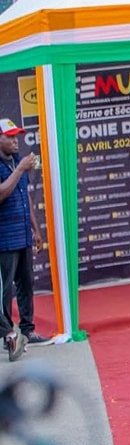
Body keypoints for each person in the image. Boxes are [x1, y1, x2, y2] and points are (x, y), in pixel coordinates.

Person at [0, 119, 49, 361]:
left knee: (26, 283)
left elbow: (25, 197)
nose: (15, 140)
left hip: (23, 234)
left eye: (16, 136)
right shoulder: (14, 166)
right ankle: (9, 337)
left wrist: (36, 229)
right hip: (4, 238)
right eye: (9, 137)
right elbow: (1, 194)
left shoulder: (16, 162)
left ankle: (28, 330)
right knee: (5, 289)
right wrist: (19, 169)